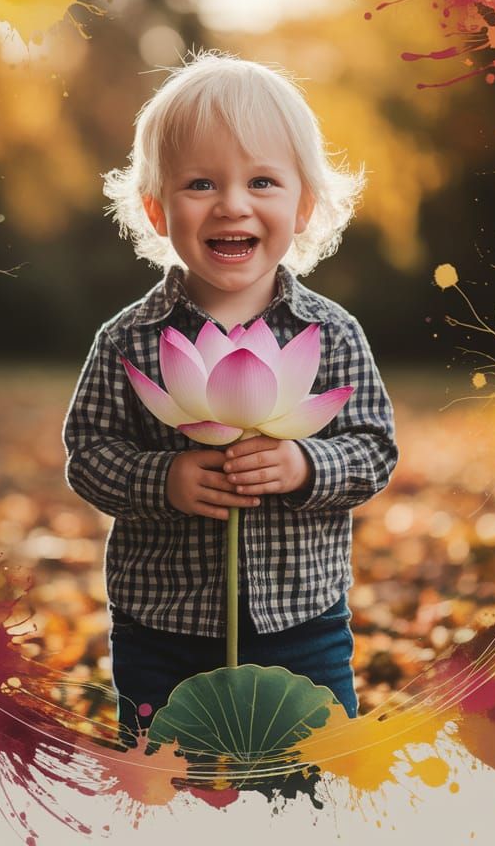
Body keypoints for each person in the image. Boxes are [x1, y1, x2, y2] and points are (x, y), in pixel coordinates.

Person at [62, 50, 398, 742]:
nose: (233, 204)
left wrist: (305, 465)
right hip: (163, 627)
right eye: (201, 183)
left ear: (304, 205)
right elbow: (88, 453)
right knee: (171, 777)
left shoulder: (331, 335)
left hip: (303, 624)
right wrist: (164, 477)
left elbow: (373, 449)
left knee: (312, 776)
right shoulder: (128, 340)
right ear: (157, 210)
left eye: (263, 181)